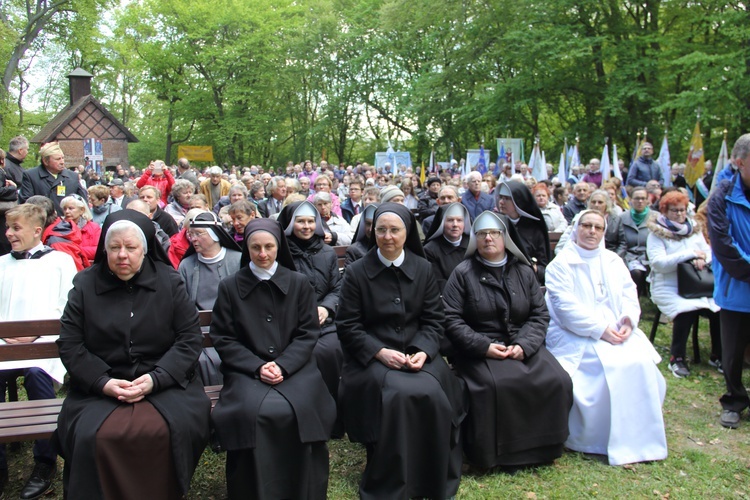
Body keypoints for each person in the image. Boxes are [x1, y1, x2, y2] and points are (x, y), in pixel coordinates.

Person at [54, 210, 211, 498]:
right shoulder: (86, 284)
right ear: (105, 249)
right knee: (93, 436)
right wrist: (102, 382)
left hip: (165, 383)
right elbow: (70, 343)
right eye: (114, 248)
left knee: (167, 431)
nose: (122, 255)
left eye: (131, 247)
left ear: (145, 249)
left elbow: (189, 339)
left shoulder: (169, 281)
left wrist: (156, 379)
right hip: (100, 387)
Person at [336, 203, 466, 499]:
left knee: (433, 395)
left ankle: (430, 474)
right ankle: (391, 477)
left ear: (407, 233)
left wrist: (424, 350)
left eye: (395, 230)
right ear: (372, 231)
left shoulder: (423, 269)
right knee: (397, 395)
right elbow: (348, 325)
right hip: (370, 358)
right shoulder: (356, 272)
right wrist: (379, 352)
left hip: (419, 354)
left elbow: (435, 320)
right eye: (381, 229)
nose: (387, 236)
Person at [210, 218, 335, 499]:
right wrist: (256, 366)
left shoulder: (299, 283)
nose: (263, 254)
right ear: (247, 249)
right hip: (245, 371)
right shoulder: (230, 286)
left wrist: (283, 364)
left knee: (300, 408)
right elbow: (224, 337)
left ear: (279, 247)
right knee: (252, 412)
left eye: (269, 246)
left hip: (297, 367)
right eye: (255, 247)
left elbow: (307, 333)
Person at [443, 211, 572, 470]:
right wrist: (483, 346)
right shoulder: (462, 273)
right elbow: (451, 318)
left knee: (557, 380)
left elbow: (539, 314)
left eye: (494, 233)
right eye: (481, 234)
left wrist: (524, 345)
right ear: (475, 239)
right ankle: (496, 455)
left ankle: (543, 448)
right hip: (479, 347)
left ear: (505, 237)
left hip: (522, 341)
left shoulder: (523, 271)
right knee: (494, 386)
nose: (488, 238)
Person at [545, 210, 667, 465]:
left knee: (641, 362)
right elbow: (565, 309)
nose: (591, 231)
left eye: (597, 227)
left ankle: (640, 437)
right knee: (608, 366)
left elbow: (629, 294)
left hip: (616, 330)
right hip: (576, 334)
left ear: (603, 232)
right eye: (586, 226)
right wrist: (600, 329)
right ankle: (595, 438)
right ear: (577, 228)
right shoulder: (561, 264)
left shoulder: (613, 261)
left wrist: (627, 320)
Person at [0, 204, 76, 499]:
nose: (9, 234)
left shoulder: (59, 262)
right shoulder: (3, 263)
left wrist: (35, 333)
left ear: (36, 230)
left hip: (43, 344)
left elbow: (66, 304)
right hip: (3, 345)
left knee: (36, 375)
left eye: (16, 228)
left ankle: (44, 461)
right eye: (8, 228)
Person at [277, 201, 343, 434]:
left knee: (332, 350)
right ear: (289, 224)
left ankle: (334, 417)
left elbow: (336, 288)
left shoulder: (327, 253)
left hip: (325, 321)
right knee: (307, 353)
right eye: (300, 221)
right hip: (292, 322)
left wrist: (326, 308)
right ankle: (305, 415)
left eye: (310, 221)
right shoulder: (280, 252)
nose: (306, 226)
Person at [647, 191, 721, 378]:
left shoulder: (693, 229)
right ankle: (677, 358)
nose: (679, 215)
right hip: (668, 286)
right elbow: (659, 264)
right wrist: (689, 255)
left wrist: (704, 258)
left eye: (682, 210)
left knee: (719, 310)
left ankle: (718, 354)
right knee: (686, 310)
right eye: (674, 211)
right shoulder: (657, 233)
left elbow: (707, 251)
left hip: (697, 284)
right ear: (665, 211)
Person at [707, 133, 750, 429]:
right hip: (737, 288)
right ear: (739, 162)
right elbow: (723, 244)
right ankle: (734, 400)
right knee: (732, 353)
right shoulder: (721, 194)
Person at [496, 180, 551, 284]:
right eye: (501, 197)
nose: (501, 202)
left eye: (507, 198)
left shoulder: (534, 231)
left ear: (518, 201)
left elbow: (544, 267)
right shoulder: (495, 224)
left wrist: (534, 269)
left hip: (527, 282)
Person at [19, 142, 88, 215]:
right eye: (58, 159)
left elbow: (83, 202)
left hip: (67, 223)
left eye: (62, 158)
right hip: (43, 222)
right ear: (45, 161)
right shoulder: (31, 176)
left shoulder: (73, 177)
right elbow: (26, 204)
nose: (62, 162)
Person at [423, 202, 471, 292]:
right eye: (450, 220)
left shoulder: (473, 244)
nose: (455, 224)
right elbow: (438, 282)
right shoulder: (430, 250)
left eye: (459, 220)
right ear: (442, 223)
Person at [617, 186, 651, 296]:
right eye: (636, 198)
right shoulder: (622, 218)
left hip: (649, 255)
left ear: (647, 200)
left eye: (643, 198)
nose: (640, 201)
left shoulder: (655, 217)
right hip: (629, 255)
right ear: (631, 200)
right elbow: (619, 241)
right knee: (635, 272)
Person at [60, 194, 101, 262]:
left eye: (71, 208)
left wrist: (73, 250)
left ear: (82, 210)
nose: (67, 211)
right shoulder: (59, 228)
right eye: (65, 209)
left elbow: (97, 251)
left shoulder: (94, 227)